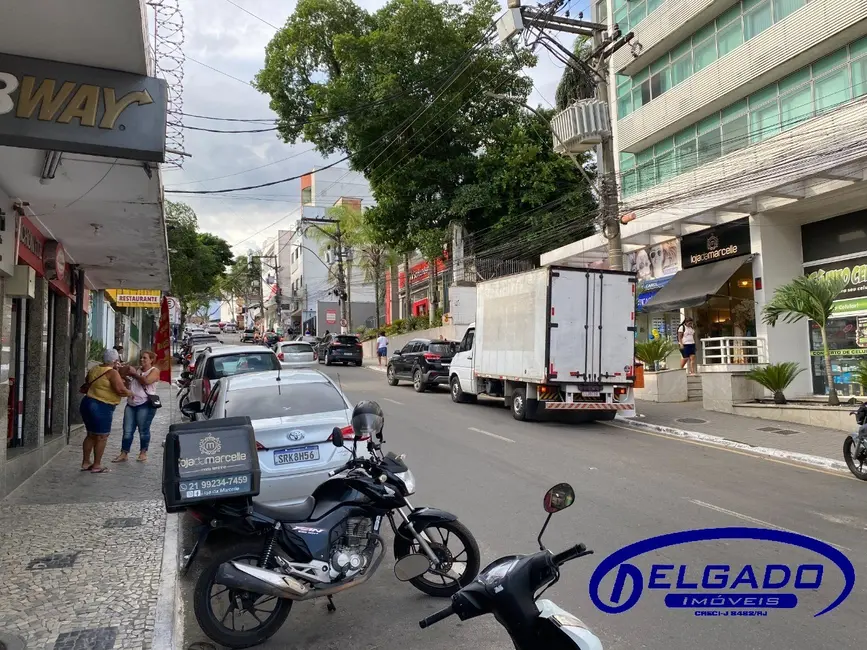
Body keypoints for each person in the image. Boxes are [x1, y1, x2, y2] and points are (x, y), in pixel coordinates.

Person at [80, 348, 132, 473]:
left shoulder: (95, 368)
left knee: (91, 434)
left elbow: (88, 381)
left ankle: (86, 462)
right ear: (115, 361)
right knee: (102, 436)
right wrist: (131, 393)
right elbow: (120, 390)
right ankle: (97, 465)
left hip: (87, 403)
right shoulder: (112, 373)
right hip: (101, 406)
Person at [113, 351, 159, 463]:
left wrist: (134, 374)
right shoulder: (137, 369)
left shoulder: (154, 371)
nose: (142, 360)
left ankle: (143, 452)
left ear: (151, 360)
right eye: (141, 358)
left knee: (143, 430)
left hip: (145, 404)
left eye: (145, 358)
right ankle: (124, 453)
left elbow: (147, 381)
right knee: (127, 430)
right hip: (131, 404)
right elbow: (123, 373)